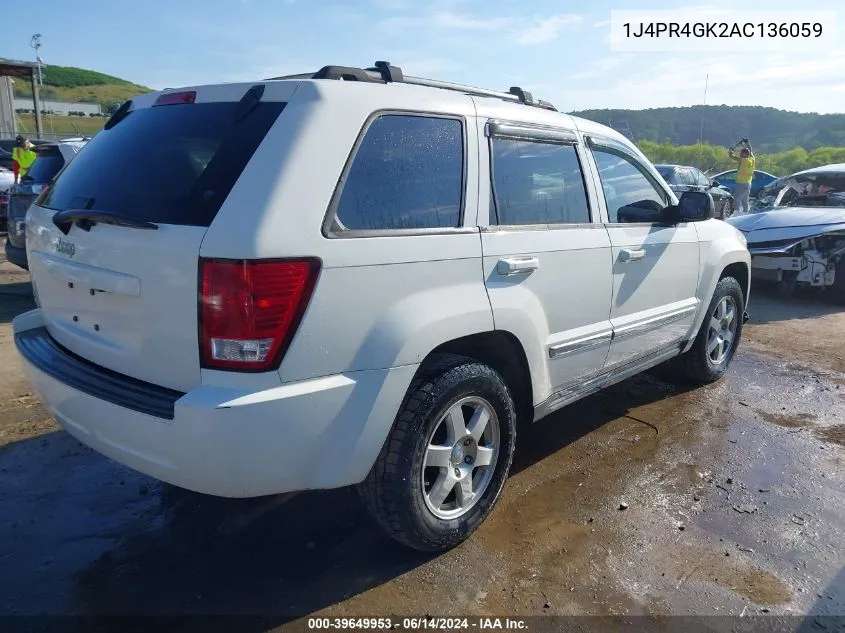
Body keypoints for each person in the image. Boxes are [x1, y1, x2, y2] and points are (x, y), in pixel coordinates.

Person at [729, 138, 755, 214]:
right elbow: (751, 151)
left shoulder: (743, 160)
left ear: (744, 154)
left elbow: (732, 157)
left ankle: (736, 214)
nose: (740, 154)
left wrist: (730, 152)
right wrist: (747, 143)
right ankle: (745, 214)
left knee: (737, 199)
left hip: (741, 183)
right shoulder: (752, 159)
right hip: (748, 183)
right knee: (745, 200)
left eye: (741, 153)